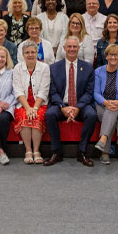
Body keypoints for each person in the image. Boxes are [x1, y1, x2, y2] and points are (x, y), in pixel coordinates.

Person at [43, 36, 97, 167]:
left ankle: (82, 152)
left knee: (92, 115)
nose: (72, 49)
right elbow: (53, 91)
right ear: (64, 48)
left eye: (74, 47)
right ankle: (56, 152)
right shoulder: (54, 68)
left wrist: (77, 108)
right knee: (49, 114)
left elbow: (89, 92)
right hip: (62, 104)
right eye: (69, 47)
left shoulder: (88, 68)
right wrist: (62, 107)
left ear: (78, 49)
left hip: (81, 105)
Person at [92, 44, 118, 164]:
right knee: (110, 114)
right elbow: (96, 93)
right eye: (111, 54)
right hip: (101, 104)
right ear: (106, 56)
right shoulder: (98, 71)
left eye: (116, 55)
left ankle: (103, 144)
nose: (113, 57)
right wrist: (105, 102)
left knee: (112, 111)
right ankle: (104, 151)